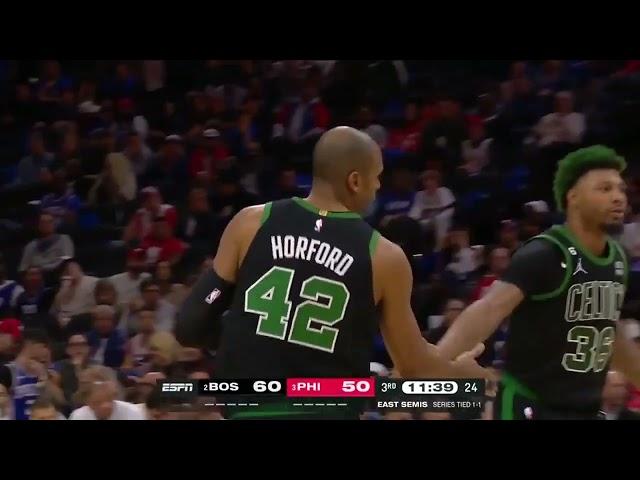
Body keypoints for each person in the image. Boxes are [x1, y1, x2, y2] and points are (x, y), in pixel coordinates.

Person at [176, 126, 488, 420]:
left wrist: (241, 338)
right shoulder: (383, 256)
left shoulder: (251, 223)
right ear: (355, 180)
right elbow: (413, 366)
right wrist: (461, 375)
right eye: (376, 177)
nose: (379, 186)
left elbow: (190, 326)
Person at [437, 145, 640, 420]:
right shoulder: (547, 252)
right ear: (574, 197)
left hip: (586, 408)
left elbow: (608, 331)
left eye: (620, 189)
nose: (618, 198)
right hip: (530, 406)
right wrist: (431, 364)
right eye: (604, 189)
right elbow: (488, 310)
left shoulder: (618, 258)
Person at [68, 366, 144, 420]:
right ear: (88, 402)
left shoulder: (132, 412)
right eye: (97, 402)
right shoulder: (78, 416)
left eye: (108, 399)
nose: (105, 406)